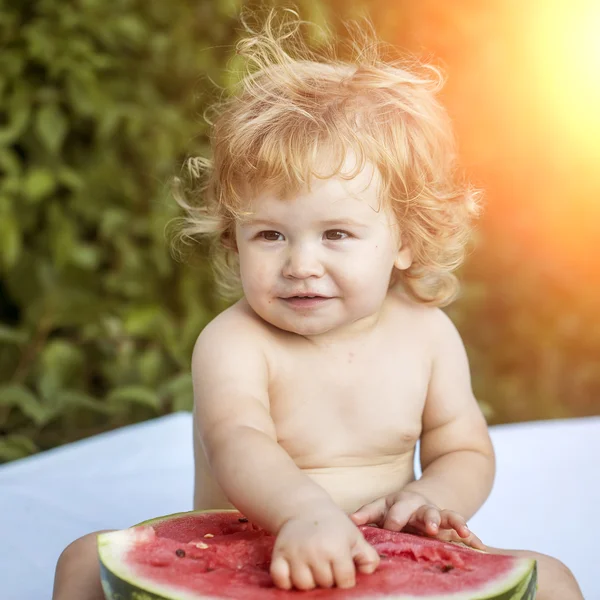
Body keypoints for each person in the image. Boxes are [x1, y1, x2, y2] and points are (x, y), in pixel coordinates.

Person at [52, 9, 583, 599]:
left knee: (554, 578)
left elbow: (463, 447)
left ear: (405, 240)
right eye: (270, 235)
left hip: (387, 558)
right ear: (234, 238)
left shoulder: (427, 335)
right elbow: (237, 440)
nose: (301, 263)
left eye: (335, 234)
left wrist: (434, 499)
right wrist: (302, 513)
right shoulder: (234, 342)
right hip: (251, 551)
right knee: (82, 562)